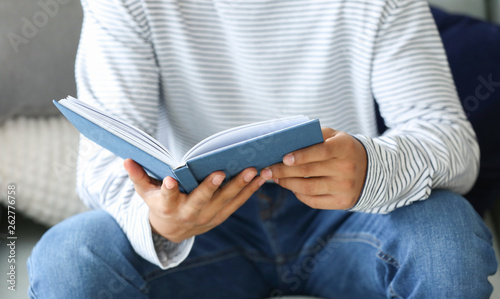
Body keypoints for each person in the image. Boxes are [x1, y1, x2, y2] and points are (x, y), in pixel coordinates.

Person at [28, 0, 497, 298]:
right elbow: (102, 164)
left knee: (447, 238)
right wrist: (159, 220)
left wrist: (373, 166)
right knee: (68, 257)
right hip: (199, 230)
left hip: (348, 213)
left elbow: (452, 140)